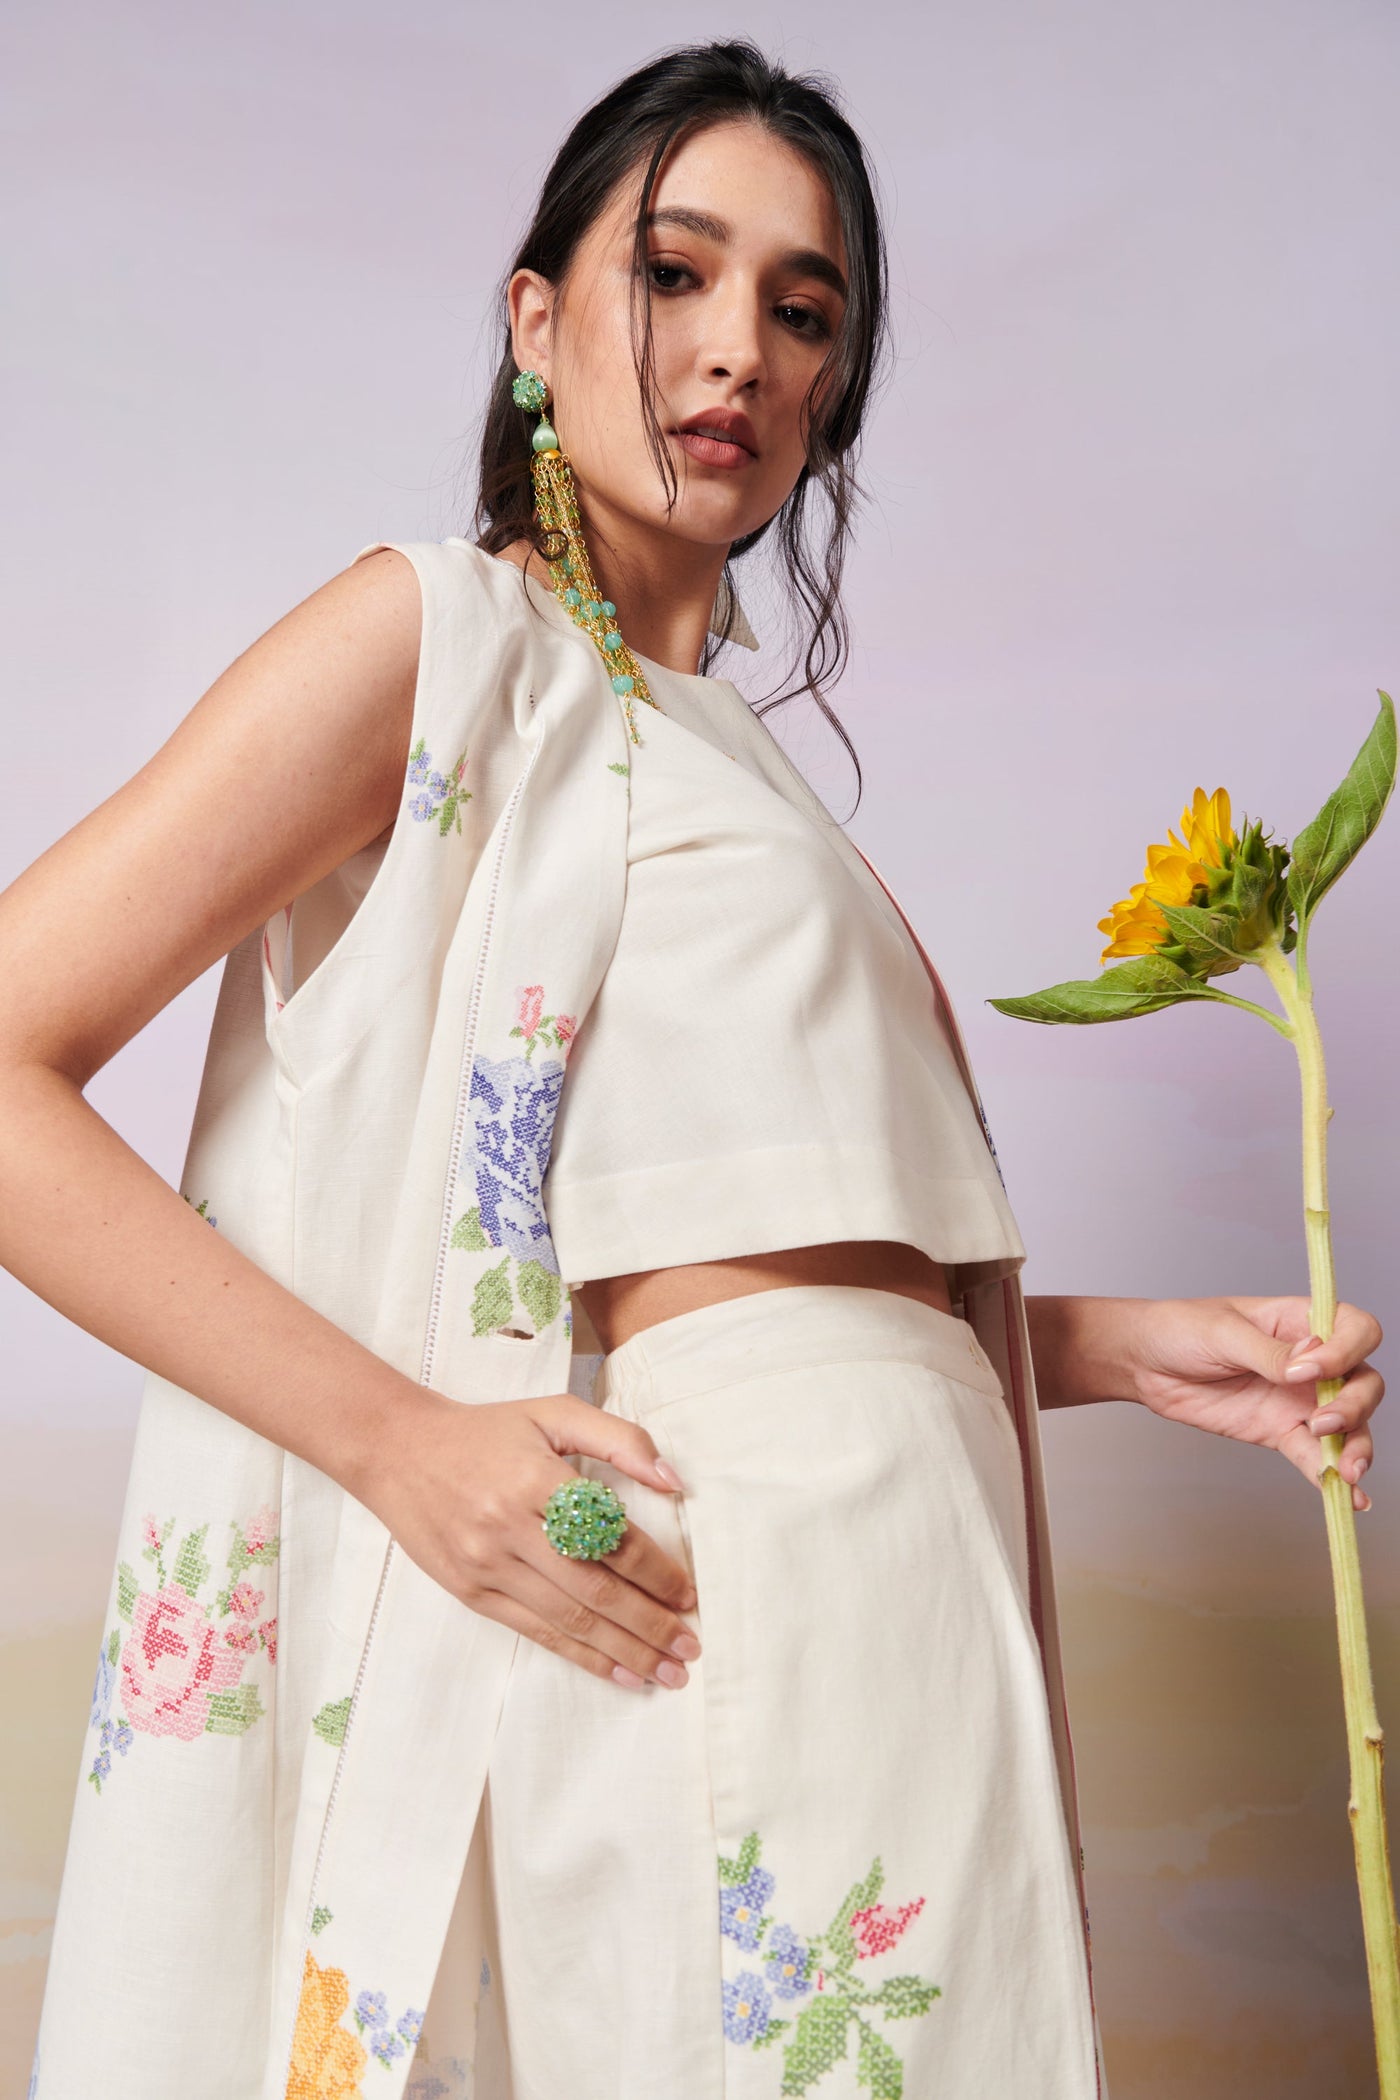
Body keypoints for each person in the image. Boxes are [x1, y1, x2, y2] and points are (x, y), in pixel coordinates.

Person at [7, 38, 1382, 2100]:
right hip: (682, 1600)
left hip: (910, 1596)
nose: (739, 345)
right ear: (534, 322)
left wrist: (1109, 1351)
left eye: (802, 309)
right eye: (674, 272)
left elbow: (746, 1259)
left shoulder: (735, 764)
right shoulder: (440, 642)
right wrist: (400, 1447)